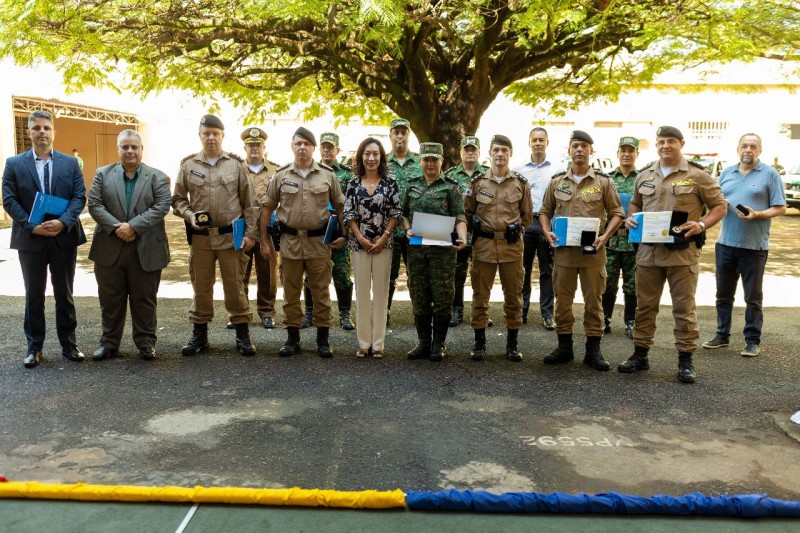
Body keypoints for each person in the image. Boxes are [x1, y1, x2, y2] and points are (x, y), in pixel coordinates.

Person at [618, 126, 727, 383]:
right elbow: (635, 203)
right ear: (656, 145)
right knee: (644, 306)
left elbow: (720, 206)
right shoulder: (644, 175)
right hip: (648, 253)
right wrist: (630, 218)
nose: (665, 146)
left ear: (681, 143)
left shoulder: (697, 175)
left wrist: (701, 224)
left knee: (683, 308)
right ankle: (640, 354)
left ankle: (685, 360)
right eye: (661, 142)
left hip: (682, 254)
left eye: (670, 141)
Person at [2, 110, 87, 368]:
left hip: (63, 236)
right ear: (28, 132)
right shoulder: (14, 164)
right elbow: (9, 199)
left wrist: (63, 222)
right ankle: (34, 348)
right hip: (32, 240)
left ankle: (69, 344)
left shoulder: (70, 163)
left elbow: (79, 197)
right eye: (36, 128)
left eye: (46, 128)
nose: (42, 132)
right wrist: (31, 226)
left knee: (64, 293)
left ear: (53, 132)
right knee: (34, 295)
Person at [172, 114, 259, 357]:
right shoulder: (189, 166)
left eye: (216, 133)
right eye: (206, 133)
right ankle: (200, 335)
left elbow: (250, 203)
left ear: (222, 136)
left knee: (235, 286)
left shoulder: (235, 165)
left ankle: (242, 335)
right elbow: (177, 199)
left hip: (231, 238)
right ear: (200, 136)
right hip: (201, 239)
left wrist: (251, 234)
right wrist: (188, 215)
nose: (211, 137)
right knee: (201, 286)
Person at [539, 130, 625, 371]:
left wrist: (605, 236)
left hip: (593, 253)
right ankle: (564, 347)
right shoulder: (557, 182)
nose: (579, 150)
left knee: (593, 302)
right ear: (569, 150)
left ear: (591, 151)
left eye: (584, 146)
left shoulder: (603, 182)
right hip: (564, 252)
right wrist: (547, 232)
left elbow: (617, 213)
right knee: (563, 301)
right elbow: (544, 212)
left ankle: (593, 350)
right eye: (575, 145)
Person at [259, 127, 347, 358]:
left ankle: (323, 340)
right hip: (289, 243)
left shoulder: (328, 175)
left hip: (319, 243)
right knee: (290, 293)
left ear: (313, 148)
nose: (302, 148)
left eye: (307, 144)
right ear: (292, 146)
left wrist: (344, 234)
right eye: (298, 144)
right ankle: (292, 338)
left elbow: (340, 206)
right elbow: (267, 208)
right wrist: (264, 240)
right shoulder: (281, 175)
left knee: (321, 292)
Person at [87, 129, 171, 360]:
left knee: (144, 298)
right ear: (118, 150)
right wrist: (119, 228)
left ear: (141, 149)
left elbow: (162, 206)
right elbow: (94, 204)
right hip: (109, 247)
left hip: (145, 248)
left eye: (134, 147)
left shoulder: (158, 177)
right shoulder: (102, 174)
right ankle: (109, 343)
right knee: (110, 299)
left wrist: (133, 227)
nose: (130, 151)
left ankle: (145, 342)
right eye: (125, 147)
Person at [702, 133, 786, 357]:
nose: (748, 149)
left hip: (754, 247)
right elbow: (714, 203)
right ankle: (722, 335)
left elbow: (780, 208)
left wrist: (757, 214)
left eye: (753, 146)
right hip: (725, 244)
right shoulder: (727, 173)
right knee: (723, 294)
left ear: (760, 150)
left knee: (752, 297)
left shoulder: (770, 174)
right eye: (745, 145)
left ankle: (752, 340)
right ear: (737, 148)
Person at [464, 135, 533, 362]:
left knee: (513, 297)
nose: (500, 154)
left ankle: (512, 344)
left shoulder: (520, 184)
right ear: (490, 153)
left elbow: (527, 216)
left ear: (510, 153)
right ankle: (479, 343)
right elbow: (468, 211)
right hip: (483, 246)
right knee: (480, 296)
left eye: (504, 150)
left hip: (511, 247)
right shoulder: (477, 183)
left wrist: (513, 229)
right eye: (496, 150)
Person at [402, 142, 467, 362]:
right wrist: (408, 228)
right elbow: (402, 214)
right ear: (420, 161)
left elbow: (459, 216)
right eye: (426, 159)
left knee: (442, 296)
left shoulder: (451, 186)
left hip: (443, 253)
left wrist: (463, 236)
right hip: (417, 252)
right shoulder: (411, 186)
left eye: (434, 160)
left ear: (442, 161)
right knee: (419, 293)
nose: (430, 164)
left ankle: (438, 343)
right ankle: (423, 342)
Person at [343, 137, 402, 358]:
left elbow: (395, 212)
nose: (371, 158)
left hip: (383, 245)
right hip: (359, 245)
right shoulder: (353, 184)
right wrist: (360, 237)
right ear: (360, 156)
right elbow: (348, 213)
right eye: (367, 154)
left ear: (381, 157)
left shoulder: (391, 183)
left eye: (375, 154)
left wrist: (383, 237)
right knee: (362, 293)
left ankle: (378, 344)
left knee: (380, 293)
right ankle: (363, 343)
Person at [301, 132, 355, 331]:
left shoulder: (347, 175)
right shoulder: (310, 171)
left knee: (341, 273)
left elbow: (349, 207)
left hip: (338, 232)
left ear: (337, 150)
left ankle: (345, 314)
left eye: (330, 147)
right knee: (312, 275)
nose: (326, 150)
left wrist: (345, 234)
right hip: (317, 234)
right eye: (323, 146)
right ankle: (309, 312)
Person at [514, 127, 565, 330]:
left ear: (547, 142)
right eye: (534, 140)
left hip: (547, 224)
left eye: (541, 140)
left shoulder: (558, 169)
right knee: (522, 269)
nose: (538, 143)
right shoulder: (518, 169)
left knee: (547, 270)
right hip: (525, 224)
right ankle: (522, 311)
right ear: (529, 142)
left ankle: (547, 314)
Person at [230, 127, 280, 330]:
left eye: (258, 145)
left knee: (267, 273)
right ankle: (239, 312)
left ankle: (267, 312)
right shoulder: (235, 170)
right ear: (245, 148)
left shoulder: (276, 171)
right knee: (238, 272)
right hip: (243, 228)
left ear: (264, 147)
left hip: (267, 229)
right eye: (250, 146)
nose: (254, 149)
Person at [444, 135, 489, 328]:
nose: (470, 153)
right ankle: (457, 310)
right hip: (457, 234)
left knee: (481, 275)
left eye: (473, 150)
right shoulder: (450, 175)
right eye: (466, 150)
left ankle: (481, 311)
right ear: (461, 152)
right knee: (457, 274)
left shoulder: (489, 174)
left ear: (479, 152)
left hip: (482, 235)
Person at [602, 136, 640, 338]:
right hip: (612, 240)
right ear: (617, 154)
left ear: (636, 154)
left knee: (632, 283)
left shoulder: (643, 179)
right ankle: (605, 319)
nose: (626, 154)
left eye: (631, 151)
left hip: (634, 242)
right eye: (623, 150)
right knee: (608, 281)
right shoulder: (607, 179)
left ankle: (631, 321)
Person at [386, 118, 422, 326]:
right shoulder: (381, 162)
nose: (400, 136)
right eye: (396, 132)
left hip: (417, 229)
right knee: (387, 275)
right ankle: (385, 312)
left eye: (404, 132)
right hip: (388, 231)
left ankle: (420, 313)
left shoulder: (420, 162)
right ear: (390, 135)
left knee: (417, 274)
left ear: (409, 136)